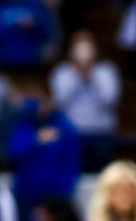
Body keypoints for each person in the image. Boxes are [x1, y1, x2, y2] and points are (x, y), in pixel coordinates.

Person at [6, 76, 81, 221]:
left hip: (54, 200)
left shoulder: (64, 127)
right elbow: (12, 153)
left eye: (41, 99)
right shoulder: (23, 125)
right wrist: (35, 139)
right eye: (33, 100)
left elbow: (71, 165)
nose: (38, 104)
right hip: (26, 198)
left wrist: (61, 197)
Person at [50, 31, 121, 171]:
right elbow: (59, 102)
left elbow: (110, 100)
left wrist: (91, 73)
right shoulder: (62, 72)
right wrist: (78, 74)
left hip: (100, 133)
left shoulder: (106, 71)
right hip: (71, 133)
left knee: (99, 173)